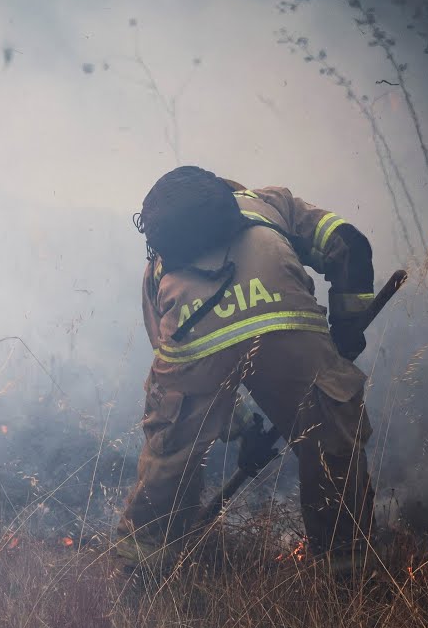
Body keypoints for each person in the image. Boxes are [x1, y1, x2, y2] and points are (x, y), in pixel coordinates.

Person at [116, 165, 376, 572]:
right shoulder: (271, 204)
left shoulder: (158, 272)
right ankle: (349, 575)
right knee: (331, 448)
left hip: (193, 335)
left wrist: (237, 427)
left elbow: (183, 387)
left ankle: (140, 573)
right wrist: (346, 332)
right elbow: (351, 245)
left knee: (170, 456)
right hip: (286, 320)